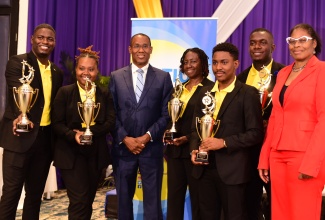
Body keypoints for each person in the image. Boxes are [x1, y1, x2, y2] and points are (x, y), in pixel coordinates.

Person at [190, 42, 264, 220]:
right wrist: (194, 149)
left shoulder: (248, 93)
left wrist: (223, 142)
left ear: (236, 64)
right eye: (215, 63)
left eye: (224, 62)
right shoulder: (204, 93)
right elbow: (194, 129)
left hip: (233, 171)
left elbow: (255, 133)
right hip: (204, 169)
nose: (218, 68)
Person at [258, 23, 325, 220]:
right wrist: (265, 156)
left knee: (302, 214)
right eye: (292, 41)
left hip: (305, 156)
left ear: (314, 44)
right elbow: (275, 116)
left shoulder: (322, 70)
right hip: (277, 155)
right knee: (279, 214)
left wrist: (312, 163)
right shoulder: (283, 73)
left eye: (302, 40)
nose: (297, 45)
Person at [0, 23, 63, 220]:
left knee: (35, 196)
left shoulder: (57, 72)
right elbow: (16, 88)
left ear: (54, 43)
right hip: (18, 137)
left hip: (44, 141)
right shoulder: (18, 63)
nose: (45, 42)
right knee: (11, 194)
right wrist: (21, 114)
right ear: (32, 39)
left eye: (50, 39)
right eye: (41, 37)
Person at [109, 33, 173, 220]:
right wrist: (125, 138)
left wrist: (146, 137)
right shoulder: (116, 76)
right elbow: (110, 113)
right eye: (136, 46)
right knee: (123, 200)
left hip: (151, 148)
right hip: (123, 149)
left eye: (145, 46)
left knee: (153, 200)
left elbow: (166, 114)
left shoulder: (163, 78)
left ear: (151, 50)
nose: (141, 50)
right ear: (130, 49)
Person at [51, 45, 116, 219]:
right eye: (81, 68)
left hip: (96, 155)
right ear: (76, 70)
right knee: (78, 200)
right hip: (70, 154)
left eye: (91, 69)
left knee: (88, 200)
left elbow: (110, 121)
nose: (85, 73)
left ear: (97, 71)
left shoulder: (104, 93)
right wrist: (74, 135)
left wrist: (89, 132)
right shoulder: (65, 93)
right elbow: (56, 123)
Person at [237, 28, 285, 220]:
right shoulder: (239, 79)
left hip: (276, 150)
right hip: (248, 152)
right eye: (253, 42)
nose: (257, 46)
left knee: (277, 202)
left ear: (272, 47)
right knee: (248, 203)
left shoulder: (285, 74)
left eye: (262, 42)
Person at [164, 48, 214, 220]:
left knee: (198, 200)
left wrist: (188, 138)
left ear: (202, 64)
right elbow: (171, 118)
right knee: (174, 200)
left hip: (195, 153)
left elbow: (210, 121)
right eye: (186, 62)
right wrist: (167, 132)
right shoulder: (178, 89)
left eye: (193, 61)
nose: (189, 65)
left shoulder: (211, 89)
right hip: (175, 153)